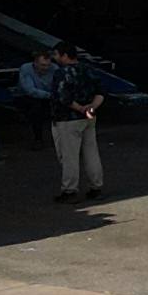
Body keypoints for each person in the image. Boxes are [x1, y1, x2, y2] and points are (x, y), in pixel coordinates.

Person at [51, 62, 110, 200]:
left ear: (63, 55)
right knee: (91, 153)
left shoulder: (62, 73)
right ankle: (96, 187)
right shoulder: (88, 69)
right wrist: (91, 107)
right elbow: (101, 92)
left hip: (67, 119)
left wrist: (80, 108)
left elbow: (64, 97)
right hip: (89, 116)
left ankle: (70, 190)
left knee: (69, 156)